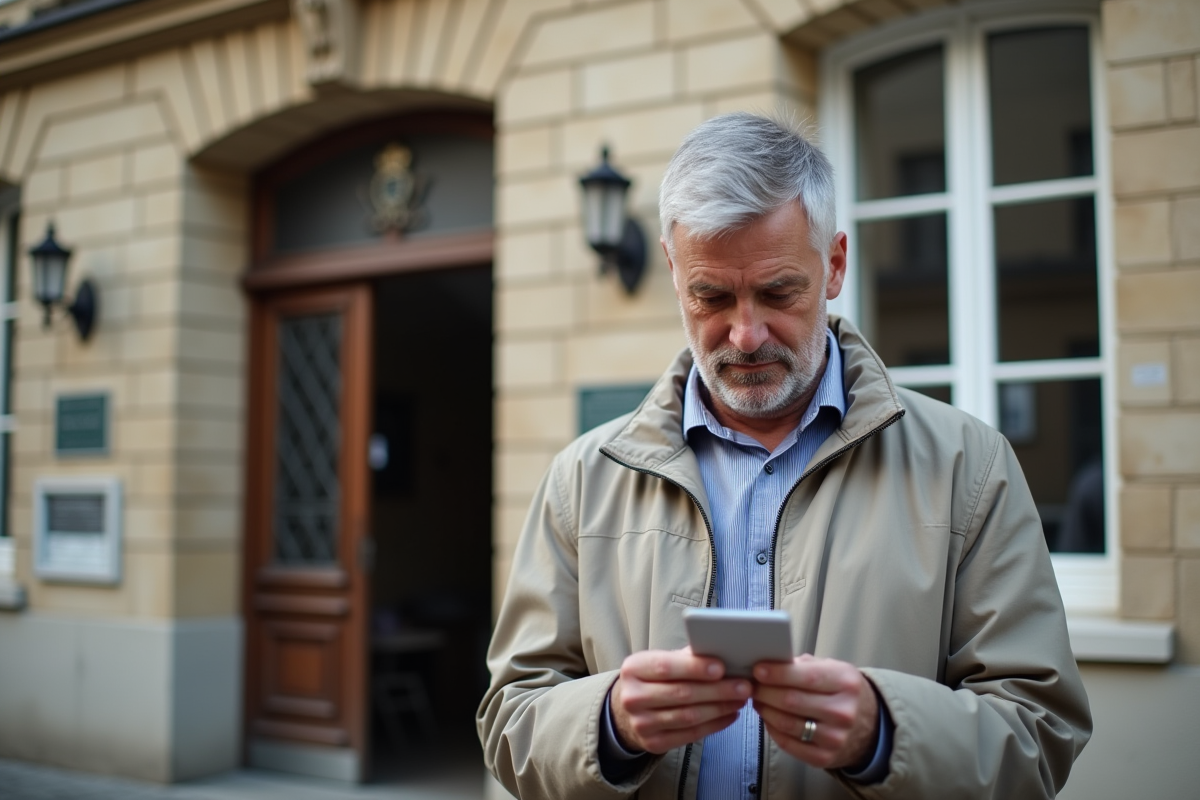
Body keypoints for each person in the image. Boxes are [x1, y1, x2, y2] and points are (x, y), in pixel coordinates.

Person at [477, 113, 1091, 799]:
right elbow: (510, 722)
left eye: (777, 292)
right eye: (711, 296)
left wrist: (885, 734)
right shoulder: (582, 480)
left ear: (835, 265)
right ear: (674, 272)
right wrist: (610, 725)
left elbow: (1039, 733)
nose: (745, 334)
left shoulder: (968, 468)